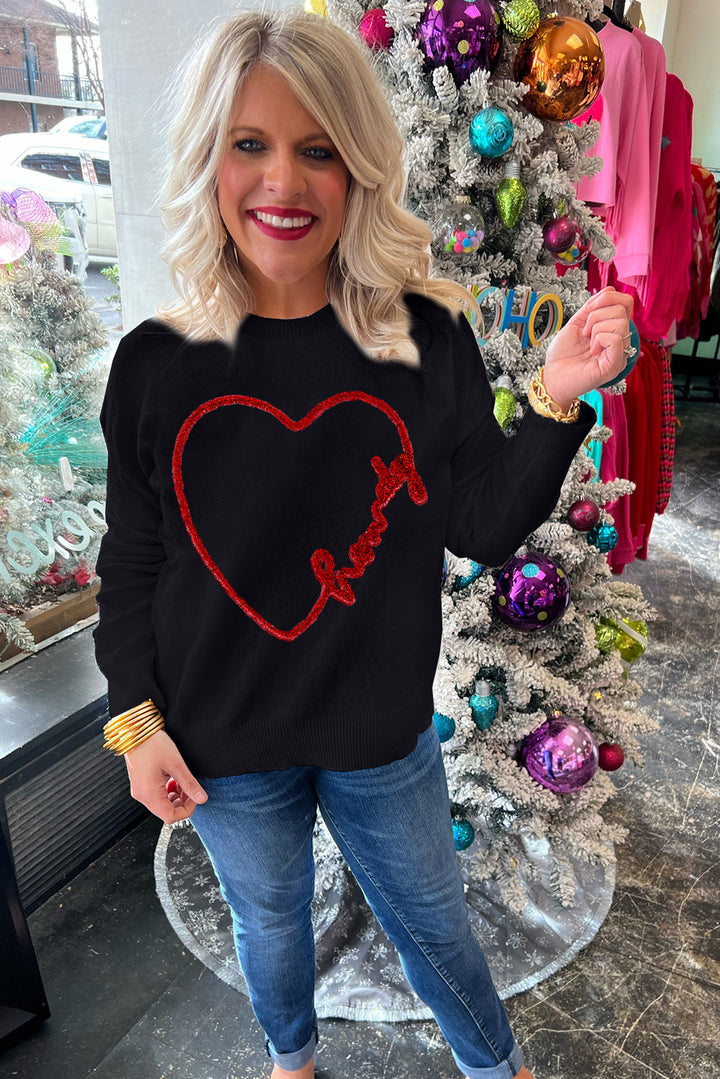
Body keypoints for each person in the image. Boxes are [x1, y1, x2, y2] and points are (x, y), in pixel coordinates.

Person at [93, 7, 633, 1079]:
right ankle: (291, 1060)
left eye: (318, 149)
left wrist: (555, 402)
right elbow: (134, 561)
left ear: (360, 169)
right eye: (250, 144)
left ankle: (497, 1065)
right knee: (274, 922)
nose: (282, 182)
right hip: (218, 738)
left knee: (435, 924)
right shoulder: (156, 365)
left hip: (380, 730)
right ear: (209, 157)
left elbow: (476, 523)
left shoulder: (422, 339)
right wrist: (133, 723)